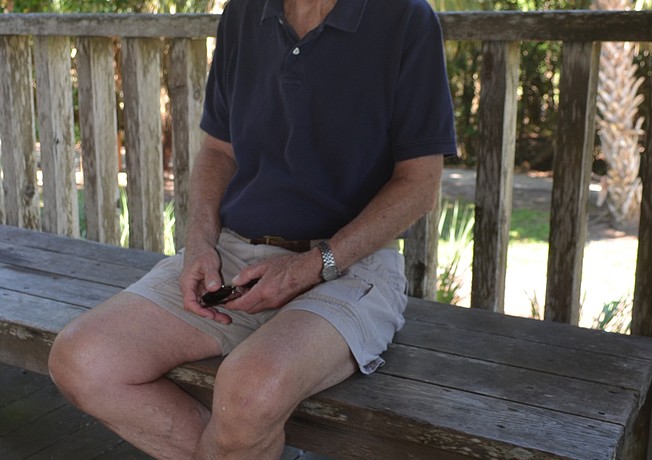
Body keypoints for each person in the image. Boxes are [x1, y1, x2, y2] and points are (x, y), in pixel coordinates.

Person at [48, 0, 456, 458]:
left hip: (350, 267)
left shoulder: (406, 18)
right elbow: (219, 151)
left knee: (247, 391)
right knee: (83, 359)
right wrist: (199, 243)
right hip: (235, 257)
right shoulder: (243, 13)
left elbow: (419, 186)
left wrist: (309, 268)